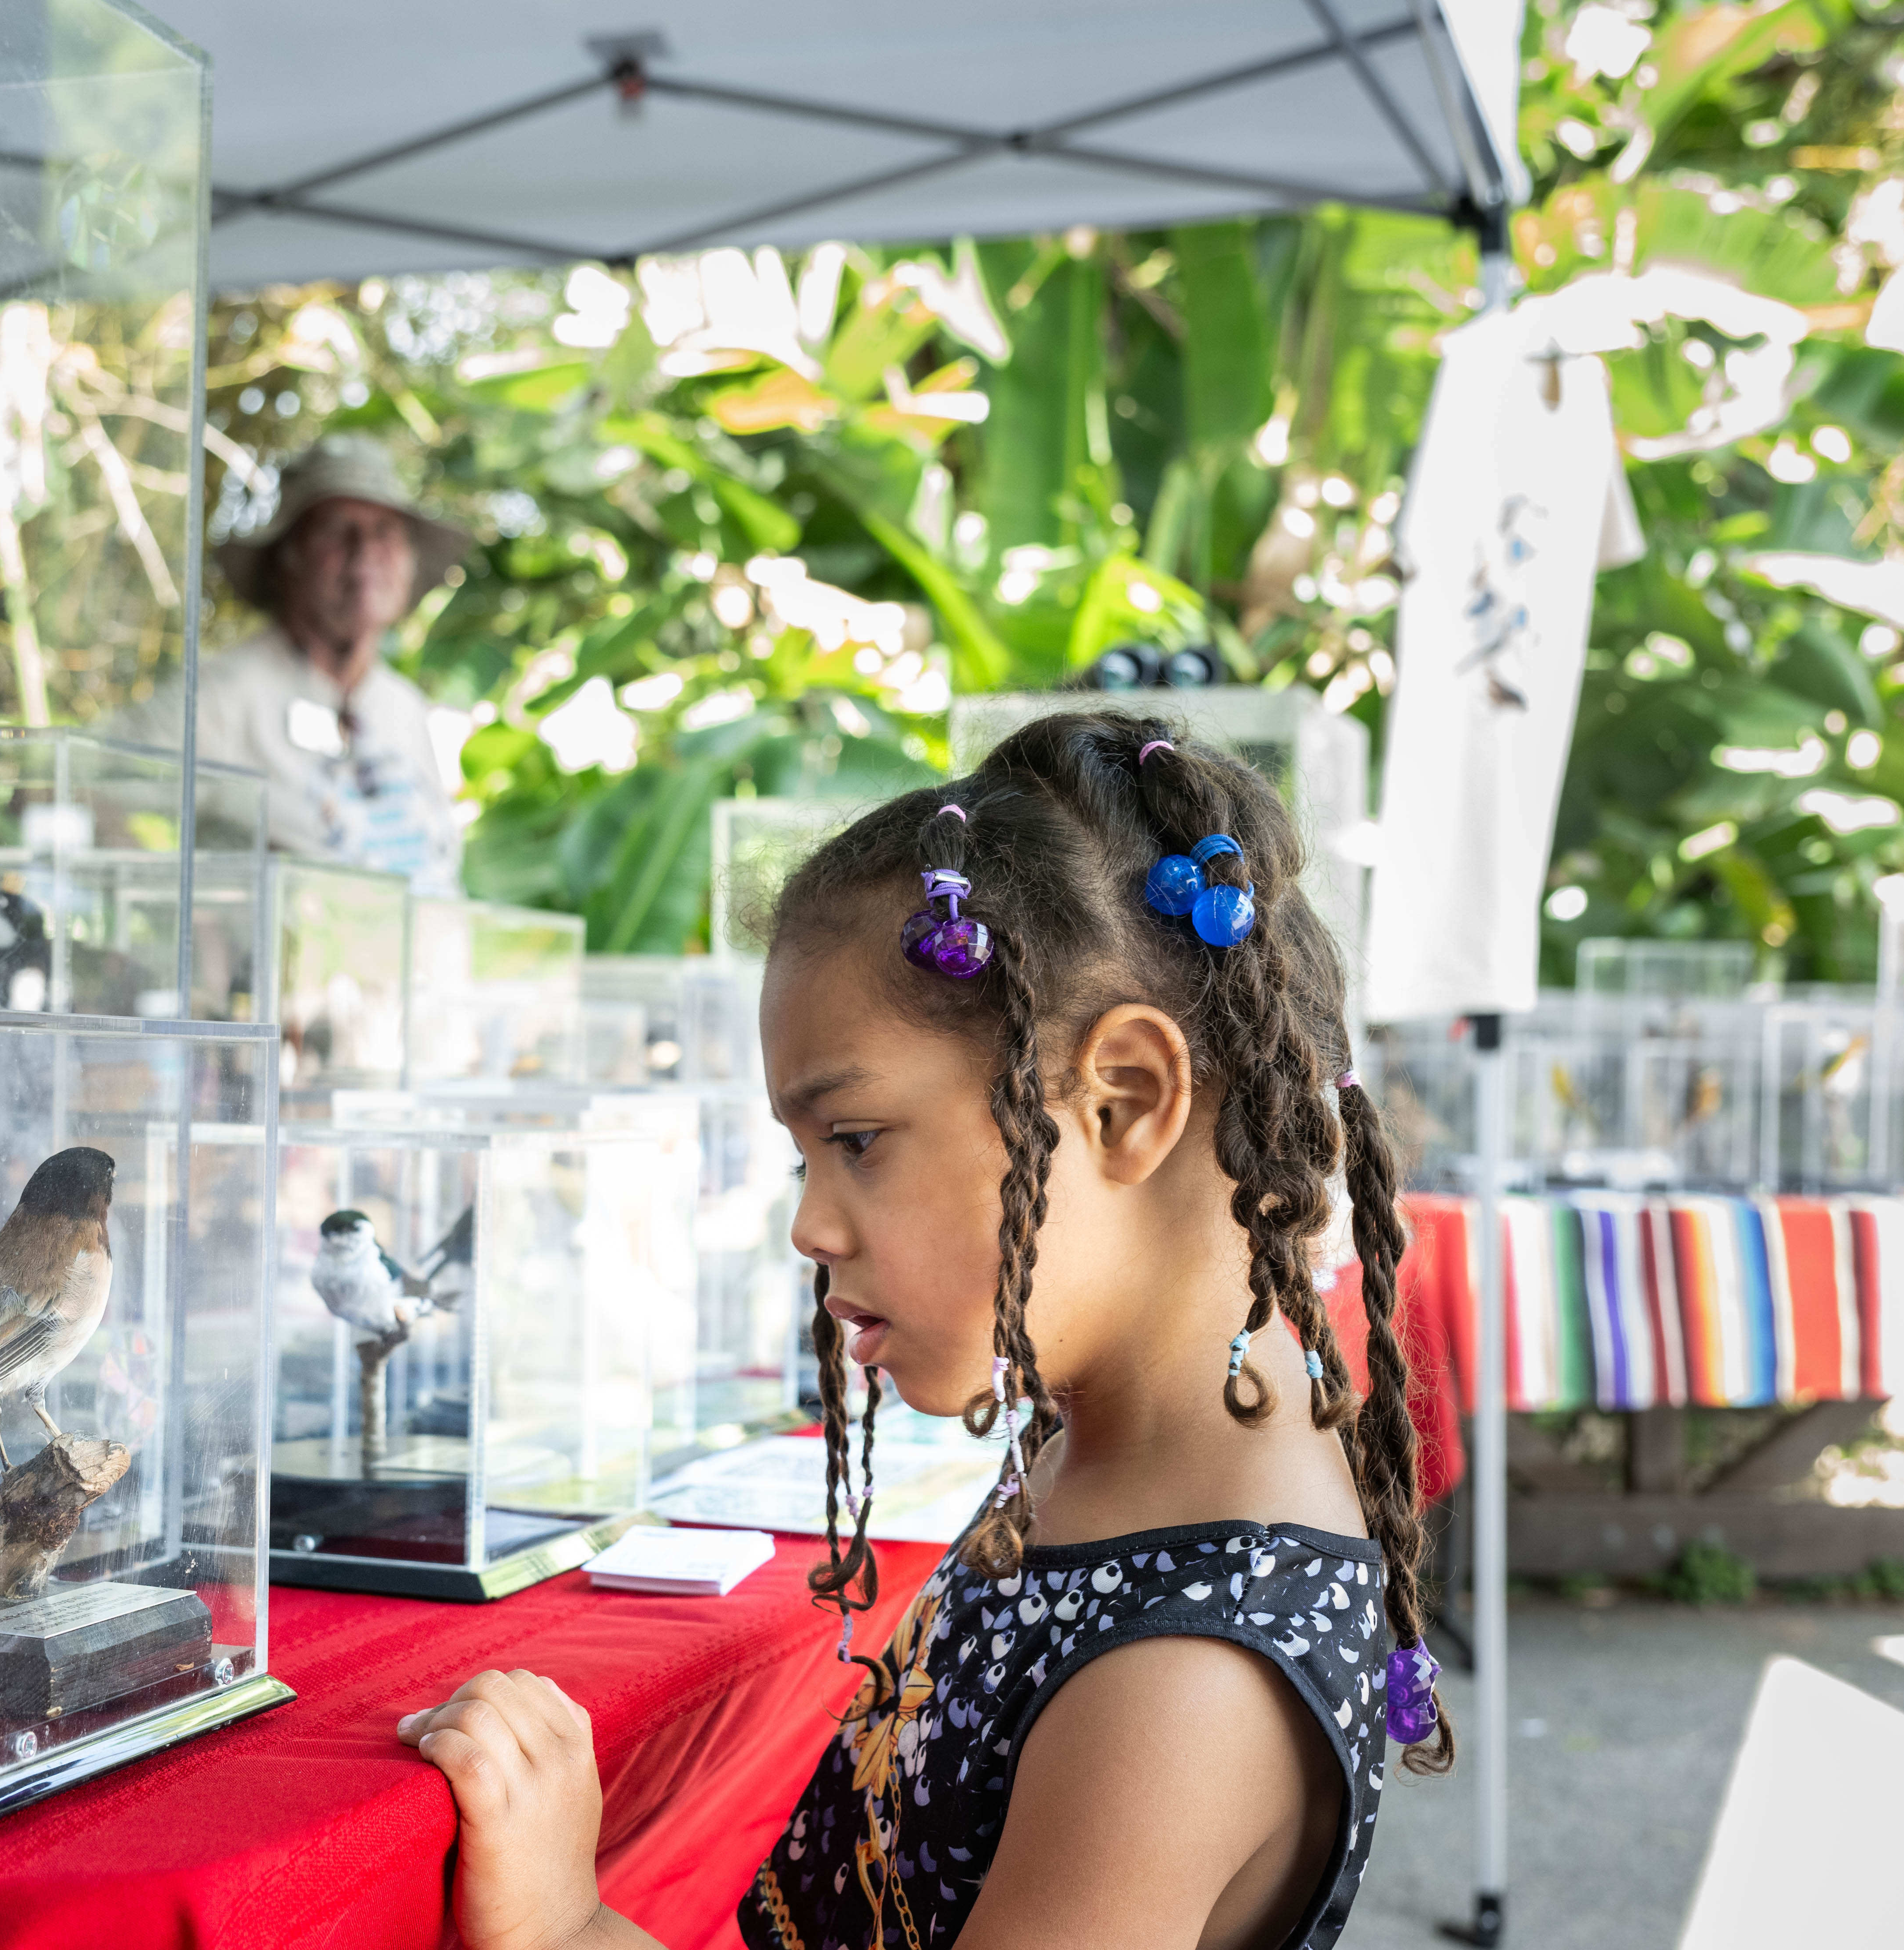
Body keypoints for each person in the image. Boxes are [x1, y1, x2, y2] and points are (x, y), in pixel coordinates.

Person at [392, 711, 1450, 1950]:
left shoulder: (1186, 1682)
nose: (807, 1227)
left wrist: (566, 1928)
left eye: (853, 1143)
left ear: (1121, 1103)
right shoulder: (1098, 1463)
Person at [116, 435, 472, 895]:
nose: (364, 551)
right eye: (337, 529)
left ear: (409, 562)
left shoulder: (401, 705)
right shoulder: (225, 697)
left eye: (386, 531)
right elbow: (58, 790)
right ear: (288, 558)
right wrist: (179, 920)